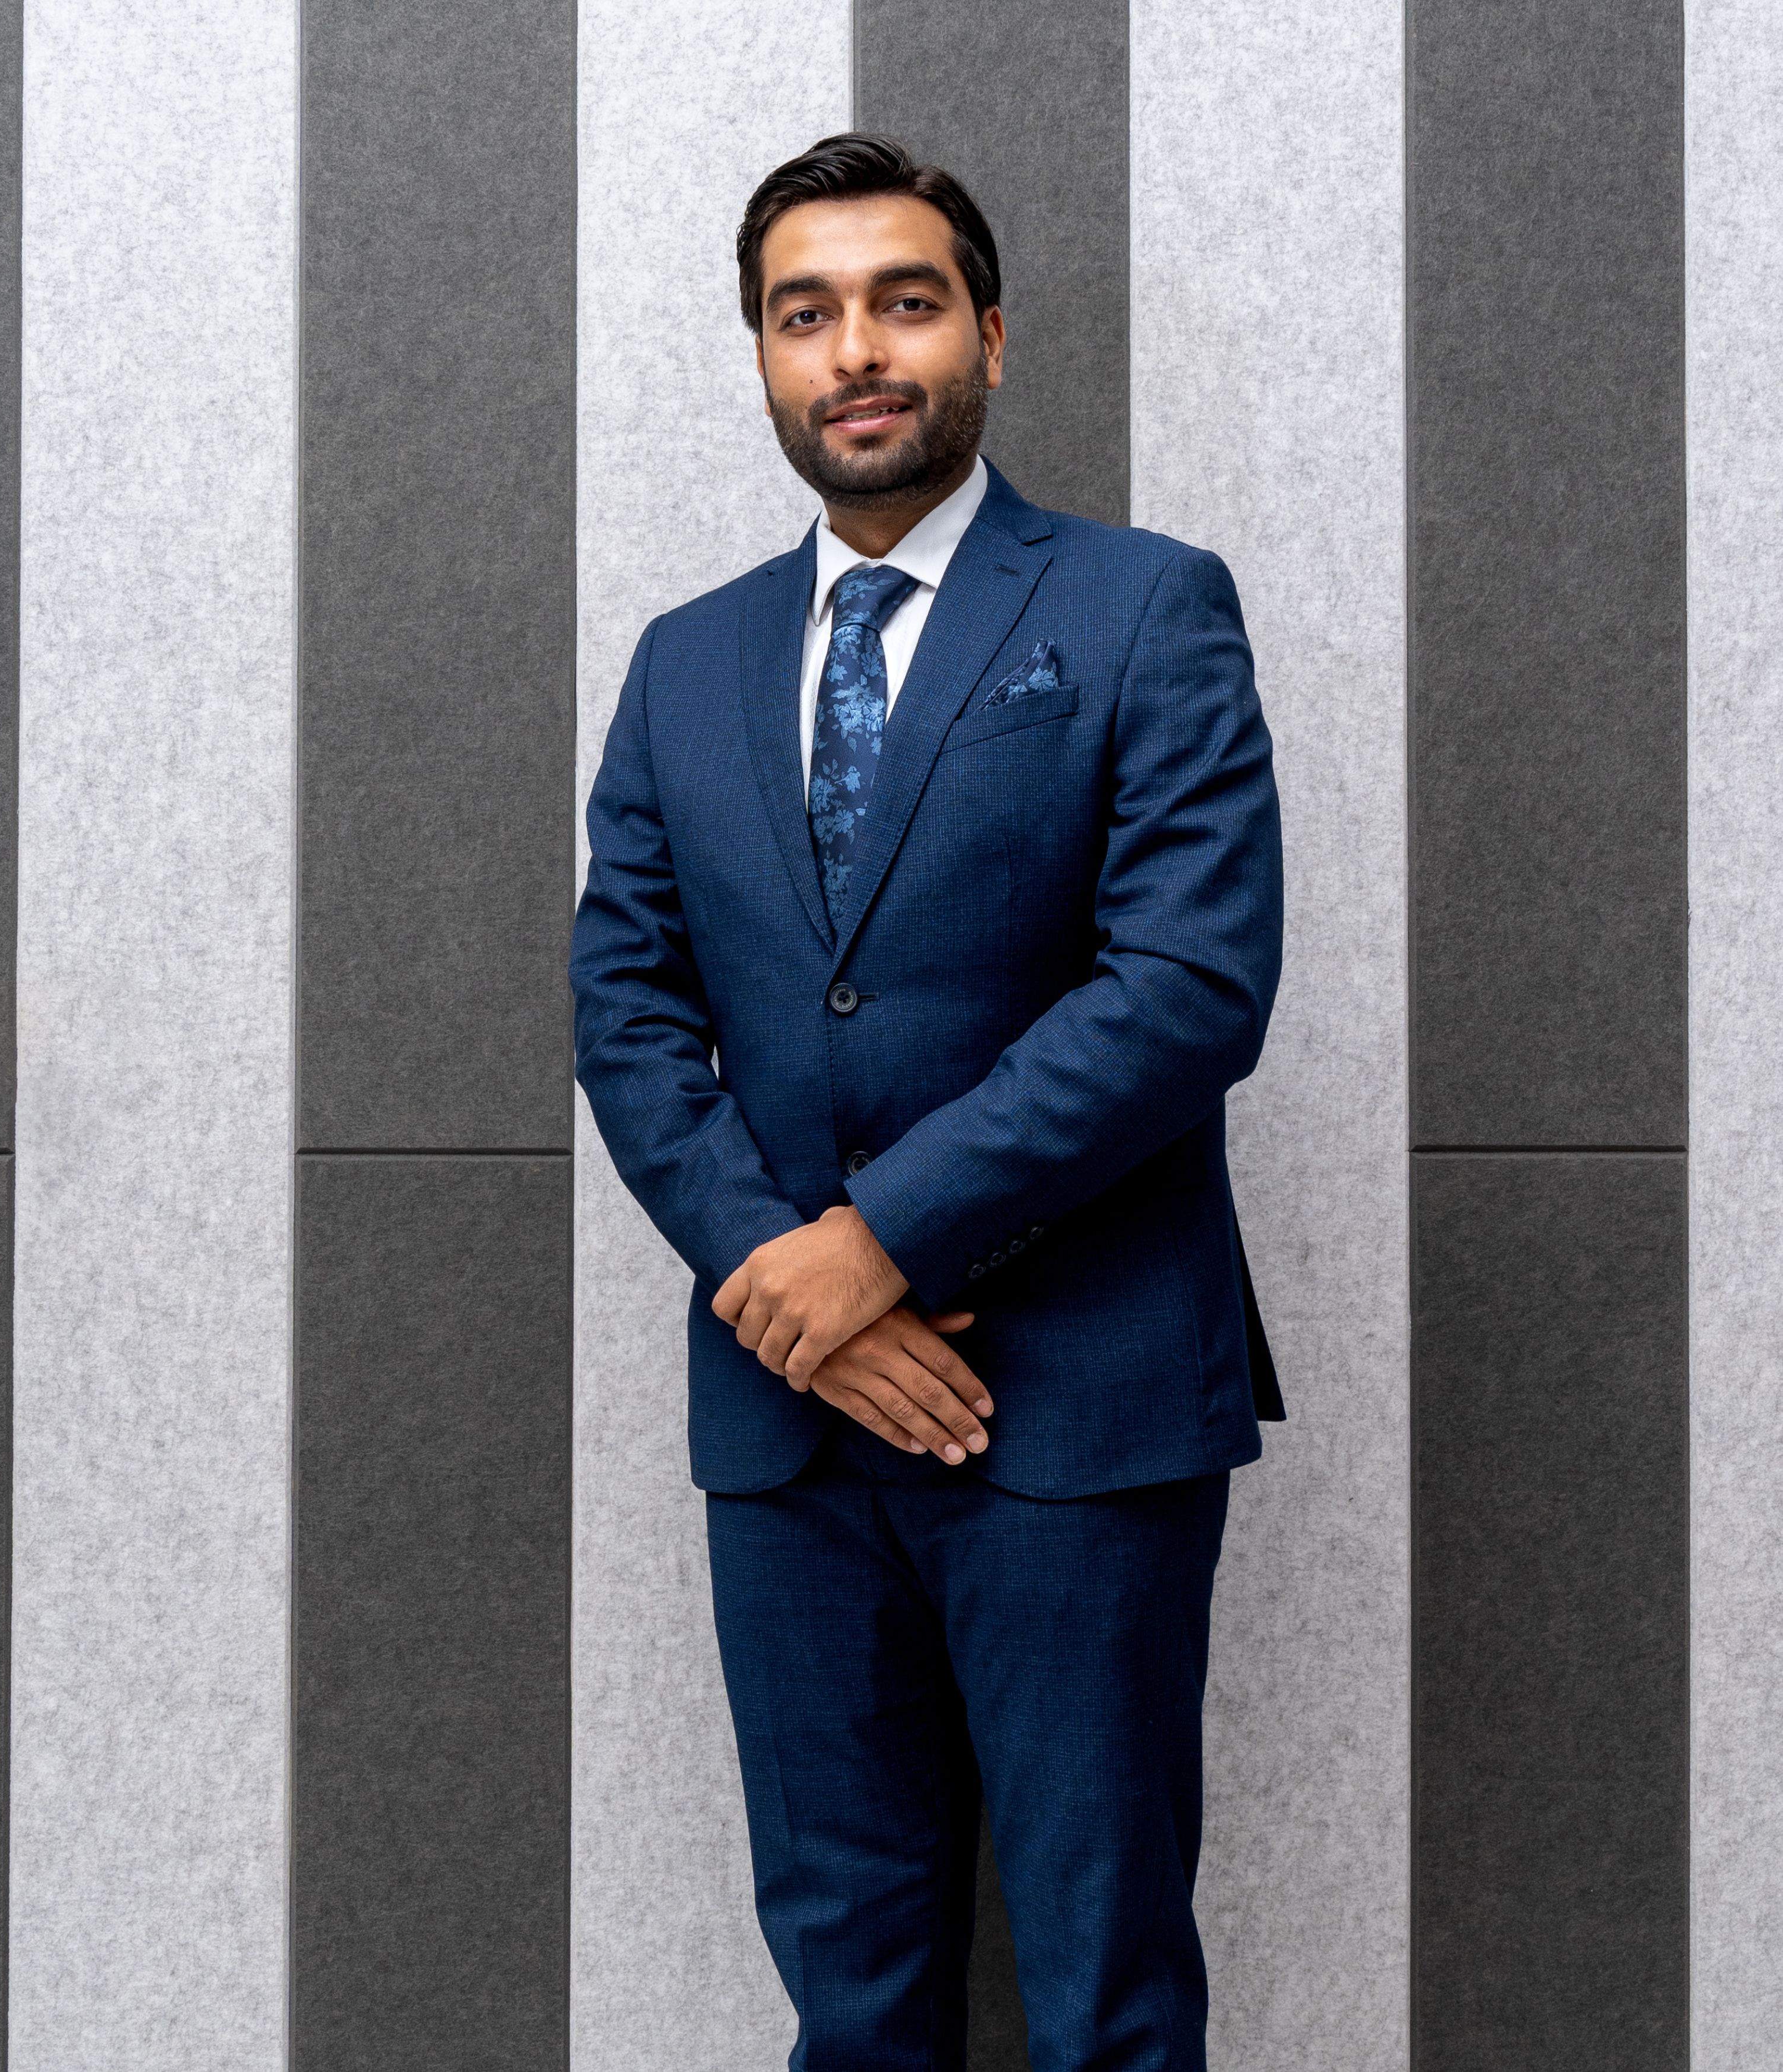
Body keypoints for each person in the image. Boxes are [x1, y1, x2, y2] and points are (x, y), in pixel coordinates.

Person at [571, 131, 1284, 2071]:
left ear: (990, 334)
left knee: (1107, 1988)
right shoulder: (685, 660)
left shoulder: (1146, 606)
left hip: (1084, 1403)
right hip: (790, 1422)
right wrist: (789, 1287)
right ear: (763, 356)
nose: (858, 350)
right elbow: (625, 1008)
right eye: (806, 314)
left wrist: (877, 1243)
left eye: (905, 301)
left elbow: (1188, 986)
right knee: (851, 1991)